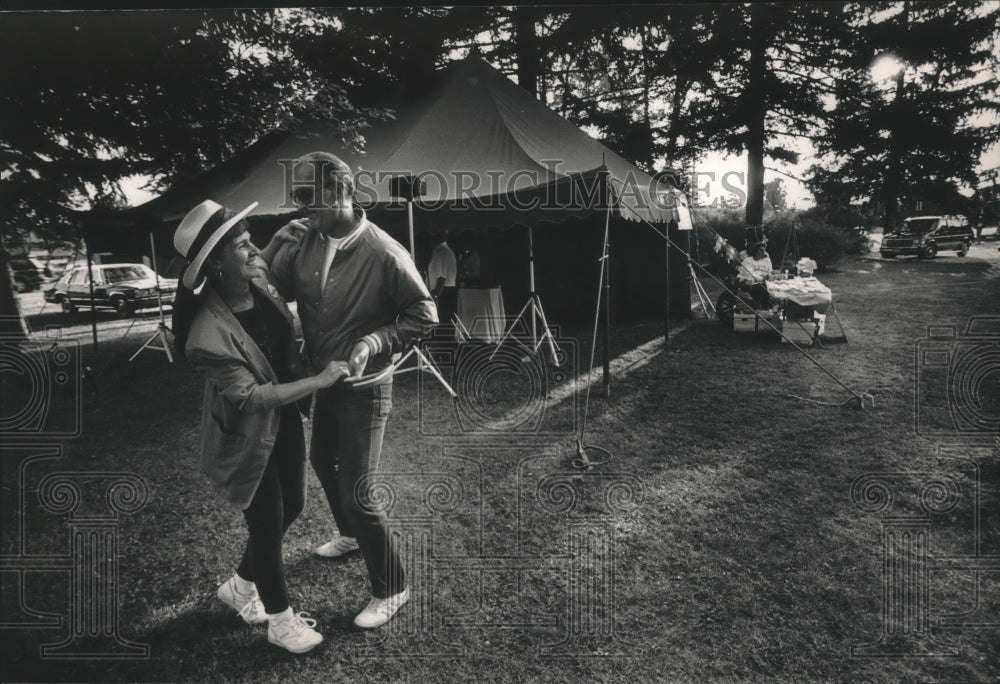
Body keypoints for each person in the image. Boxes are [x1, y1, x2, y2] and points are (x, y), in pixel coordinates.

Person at [260, 151, 437, 629]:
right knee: (321, 462)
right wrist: (275, 245)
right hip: (325, 380)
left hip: (367, 386)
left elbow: (424, 313)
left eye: (304, 195)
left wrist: (374, 340)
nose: (298, 205)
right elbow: (269, 292)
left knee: (358, 490)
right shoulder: (304, 240)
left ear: (339, 192)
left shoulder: (384, 251)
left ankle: (393, 586)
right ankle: (350, 535)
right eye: (294, 195)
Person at [172, 199, 351, 654]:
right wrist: (319, 379)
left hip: (285, 418)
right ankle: (281, 621)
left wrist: (273, 240)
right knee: (268, 524)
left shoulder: (254, 277)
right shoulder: (206, 335)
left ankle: (239, 586)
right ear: (214, 264)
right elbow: (250, 398)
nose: (253, 251)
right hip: (248, 433)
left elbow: (256, 266)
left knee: (293, 504)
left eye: (252, 241)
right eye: (243, 244)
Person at [426, 230, 457, 328]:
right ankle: (447, 342)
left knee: (443, 322)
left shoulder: (440, 252)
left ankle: (444, 342)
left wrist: (435, 296)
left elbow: (442, 277)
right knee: (447, 322)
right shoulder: (446, 251)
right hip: (447, 290)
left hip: (443, 291)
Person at [738, 242, 774, 309]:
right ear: (755, 251)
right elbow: (750, 274)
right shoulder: (748, 261)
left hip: (764, 281)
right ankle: (760, 306)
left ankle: (767, 307)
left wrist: (769, 275)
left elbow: (770, 272)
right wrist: (762, 278)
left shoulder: (767, 260)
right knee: (762, 289)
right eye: (761, 250)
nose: (764, 252)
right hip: (750, 282)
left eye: (764, 250)